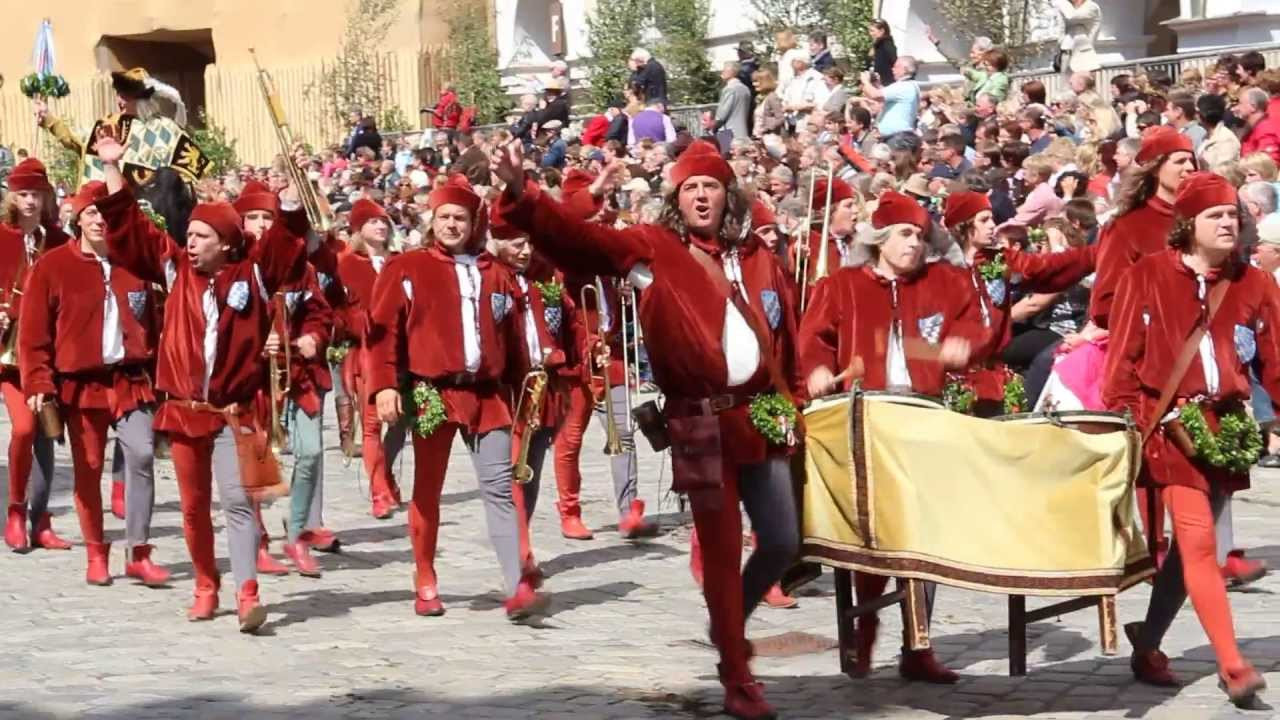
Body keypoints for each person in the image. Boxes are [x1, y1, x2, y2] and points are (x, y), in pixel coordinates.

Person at [493, 138, 802, 720]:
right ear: (676, 200)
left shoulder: (759, 256)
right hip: (700, 423)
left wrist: (797, 400)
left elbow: (788, 335)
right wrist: (521, 195)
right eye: (690, 188)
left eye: (711, 186)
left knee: (784, 540)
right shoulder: (653, 249)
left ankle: (726, 619)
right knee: (719, 548)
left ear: (728, 195)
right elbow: (582, 240)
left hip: (760, 415)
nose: (702, 195)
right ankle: (737, 674)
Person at [95, 130, 307, 633]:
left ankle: (247, 592)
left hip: (236, 409)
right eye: (188, 236)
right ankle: (206, 584)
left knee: (237, 500)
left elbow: (289, 239)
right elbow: (128, 225)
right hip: (186, 407)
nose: (190, 244)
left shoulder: (253, 274)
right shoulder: (172, 270)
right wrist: (111, 168)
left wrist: (294, 188)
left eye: (201, 238)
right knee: (193, 507)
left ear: (227, 242)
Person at [800, 191, 982, 683]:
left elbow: (974, 317)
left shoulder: (942, 280)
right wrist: (818, 368)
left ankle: (917, 645)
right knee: (873, 536)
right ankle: (867, 624)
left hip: (924, 418)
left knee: (923, 538)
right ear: (879, 239)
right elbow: (814, 338)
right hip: (867, 422)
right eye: (905, 234)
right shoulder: (842, 285)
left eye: (921, 237)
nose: (915, 245)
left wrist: (963, 341)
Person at [1104, 172, 1269, 707]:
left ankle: (1147, 643)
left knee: (1186, 552)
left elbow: (1276, 364)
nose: (1229, 223)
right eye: (1216, 216)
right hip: (1168, 426)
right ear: (1187, 225)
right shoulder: (1147, 275)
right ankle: (1232, 664)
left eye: (1233, 216)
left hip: (1227, 428)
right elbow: (1121, 365)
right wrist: (1134, 420)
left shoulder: (1256, 283)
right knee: (1199, 541)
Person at [365, 175, 545, 620]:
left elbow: (515, 339)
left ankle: (515, 584)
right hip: (433, 394)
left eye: (459, 218)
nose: (451, 225)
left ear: (473, 223)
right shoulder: (407, 267)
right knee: (428, 489)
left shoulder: (496, 272)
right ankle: (425, 575)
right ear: (432, 220)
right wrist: (385, 385)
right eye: (444, 217)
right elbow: (382, 331)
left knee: (502, 488)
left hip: (487, 397)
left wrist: (527, 390)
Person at [18, 180, 166, 586]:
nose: (100, 220)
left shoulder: (133, 261)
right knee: (89, 468)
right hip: (80, 384)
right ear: (78, 219)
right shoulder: (52, 267)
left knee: (142, 454)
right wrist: (38, 384)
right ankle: (96, 551)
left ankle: (138, 550)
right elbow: (32, 335)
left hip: (130, 379)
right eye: (91, 213)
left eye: (105, 213)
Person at [547, 170, 655, 541]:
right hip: (576, 363)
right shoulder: (561, 258)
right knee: (571, 437)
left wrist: (628, 293)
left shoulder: (608, 246)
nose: (602, 213)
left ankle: (628, 511)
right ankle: (569, 510)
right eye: (593, 208)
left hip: (610, 354)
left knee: (623, 432)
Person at [236, 182, 335, 576]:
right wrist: (258, 339)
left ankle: (295, 535)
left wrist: (312, 335)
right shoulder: (236, 267)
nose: (260, 225)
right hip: (255, 378)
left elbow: (320, 312)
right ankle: (257, 539)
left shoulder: (301, 269)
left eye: (267, 218)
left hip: (298, 374)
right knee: (257, 462)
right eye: (253, 218)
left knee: (310, 452)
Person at [487, 205, 579, 589]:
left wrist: (568, 356)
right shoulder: (488, 276)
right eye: (516, 243)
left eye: (528, 243)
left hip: (546, 388)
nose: (525, 250)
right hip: (508, 390)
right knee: (511, 470)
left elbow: (569, 322)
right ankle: (519, 552)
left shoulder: (546, 275)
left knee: (530, 471)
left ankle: (523, 542)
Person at [1, 159, 70, 552]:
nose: (30, 201)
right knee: (25, 427)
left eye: (37, 194)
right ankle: (15, 509)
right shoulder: (1, 237)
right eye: (23, 194)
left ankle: (40, 521)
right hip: (8, 358)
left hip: (49, 354)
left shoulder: (59, 242)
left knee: (47, 434)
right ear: (12, 196)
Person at [337, 199, 407, 520]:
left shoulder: (400, 261)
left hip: (402, 350)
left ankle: (387, 474)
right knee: (371, 425)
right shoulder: (348, 264)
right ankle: (378, 490)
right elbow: (340, 309)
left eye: (385, 222)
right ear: (358, 229)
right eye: (374, 222)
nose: (381, 226)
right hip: (365, 351)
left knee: (400, 421)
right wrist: (358, 324)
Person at [860, 57, 920, 139]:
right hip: (895, 136)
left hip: (897, 138)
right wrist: (877, 84)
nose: (892, 69)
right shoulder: (909, 85)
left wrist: (865, 81)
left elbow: (874, 95)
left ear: (905, 69)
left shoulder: (903, 86)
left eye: (896, 67)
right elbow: (885, 95)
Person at [1054, 0, 1102, 76]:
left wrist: (1061, 5)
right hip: (1067, 50)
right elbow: (1060, 29)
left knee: (1085, 80)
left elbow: (1073, 16)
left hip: (1084, 50)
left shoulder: (1092, 6)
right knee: (1066, 81)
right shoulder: (1063, 5)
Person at [1236, 87, 1280, 164]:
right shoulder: (1253, 127)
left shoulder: (1265, 129)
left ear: (1253, 107)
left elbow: (1270, 162)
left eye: (1240, 103)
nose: (1236, 108)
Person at [1198, 93, 1242, 169]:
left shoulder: (1226, 139)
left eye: (1197, 111)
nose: (1195, 114)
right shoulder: (1206, 136)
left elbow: (1223, 171)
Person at [711, 61, 753, 142]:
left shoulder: (729, 89)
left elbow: (721, 115)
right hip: (743, 131)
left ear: (731, 71)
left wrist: (714, 125)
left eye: (724, 70)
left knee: (728, 153)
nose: (722, 72)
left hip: (728, 132)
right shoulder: (745, 89)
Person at [867, 19, 897, 86]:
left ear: (882, 31)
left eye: (872, 31)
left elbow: (894, 61)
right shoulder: (878, 44)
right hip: (879, 81)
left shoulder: (887, 44)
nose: (870, 34)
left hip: (886, 82)